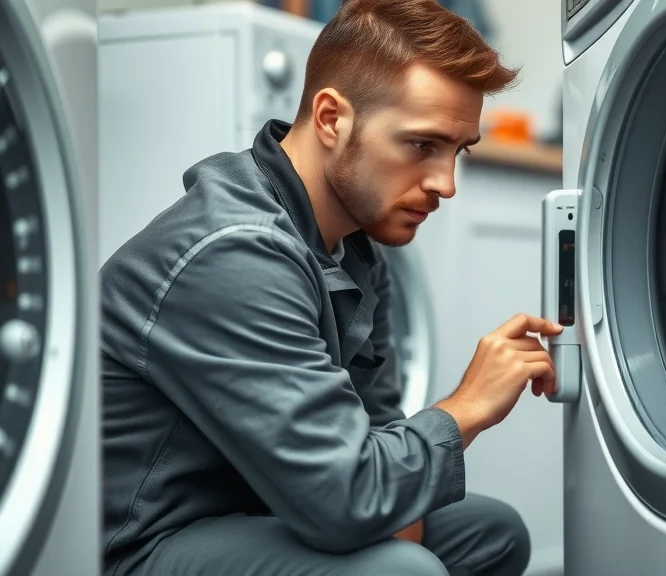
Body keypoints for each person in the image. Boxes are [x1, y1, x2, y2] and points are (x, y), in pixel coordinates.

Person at [99, 1, 563, 574]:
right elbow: (346, 500)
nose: (446, 184)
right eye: (422, 145)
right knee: (403, 570)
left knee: (489, 532)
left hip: (256, 508)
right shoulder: (235, 254)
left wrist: (386, 512)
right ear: (330, 119)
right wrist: (467, 407)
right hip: (139, 544)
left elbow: (378, 443)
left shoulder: (355, 249)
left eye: (458, 151)